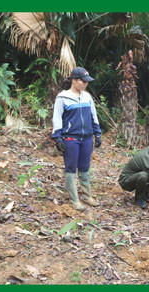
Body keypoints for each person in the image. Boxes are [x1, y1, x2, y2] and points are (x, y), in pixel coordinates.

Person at [51, 67, 102, 211]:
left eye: (87, 82)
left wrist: (97, 134)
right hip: (70, 139)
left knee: (85, 168)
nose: (85, 84)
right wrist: (58, 138)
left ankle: (87, 196)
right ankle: (74, 200)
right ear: (74, 80)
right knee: (71, 168)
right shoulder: (62, 97)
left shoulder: (87, 97)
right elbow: (57, 118)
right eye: (83, 81)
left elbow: (94, 115)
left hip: (86, 138)